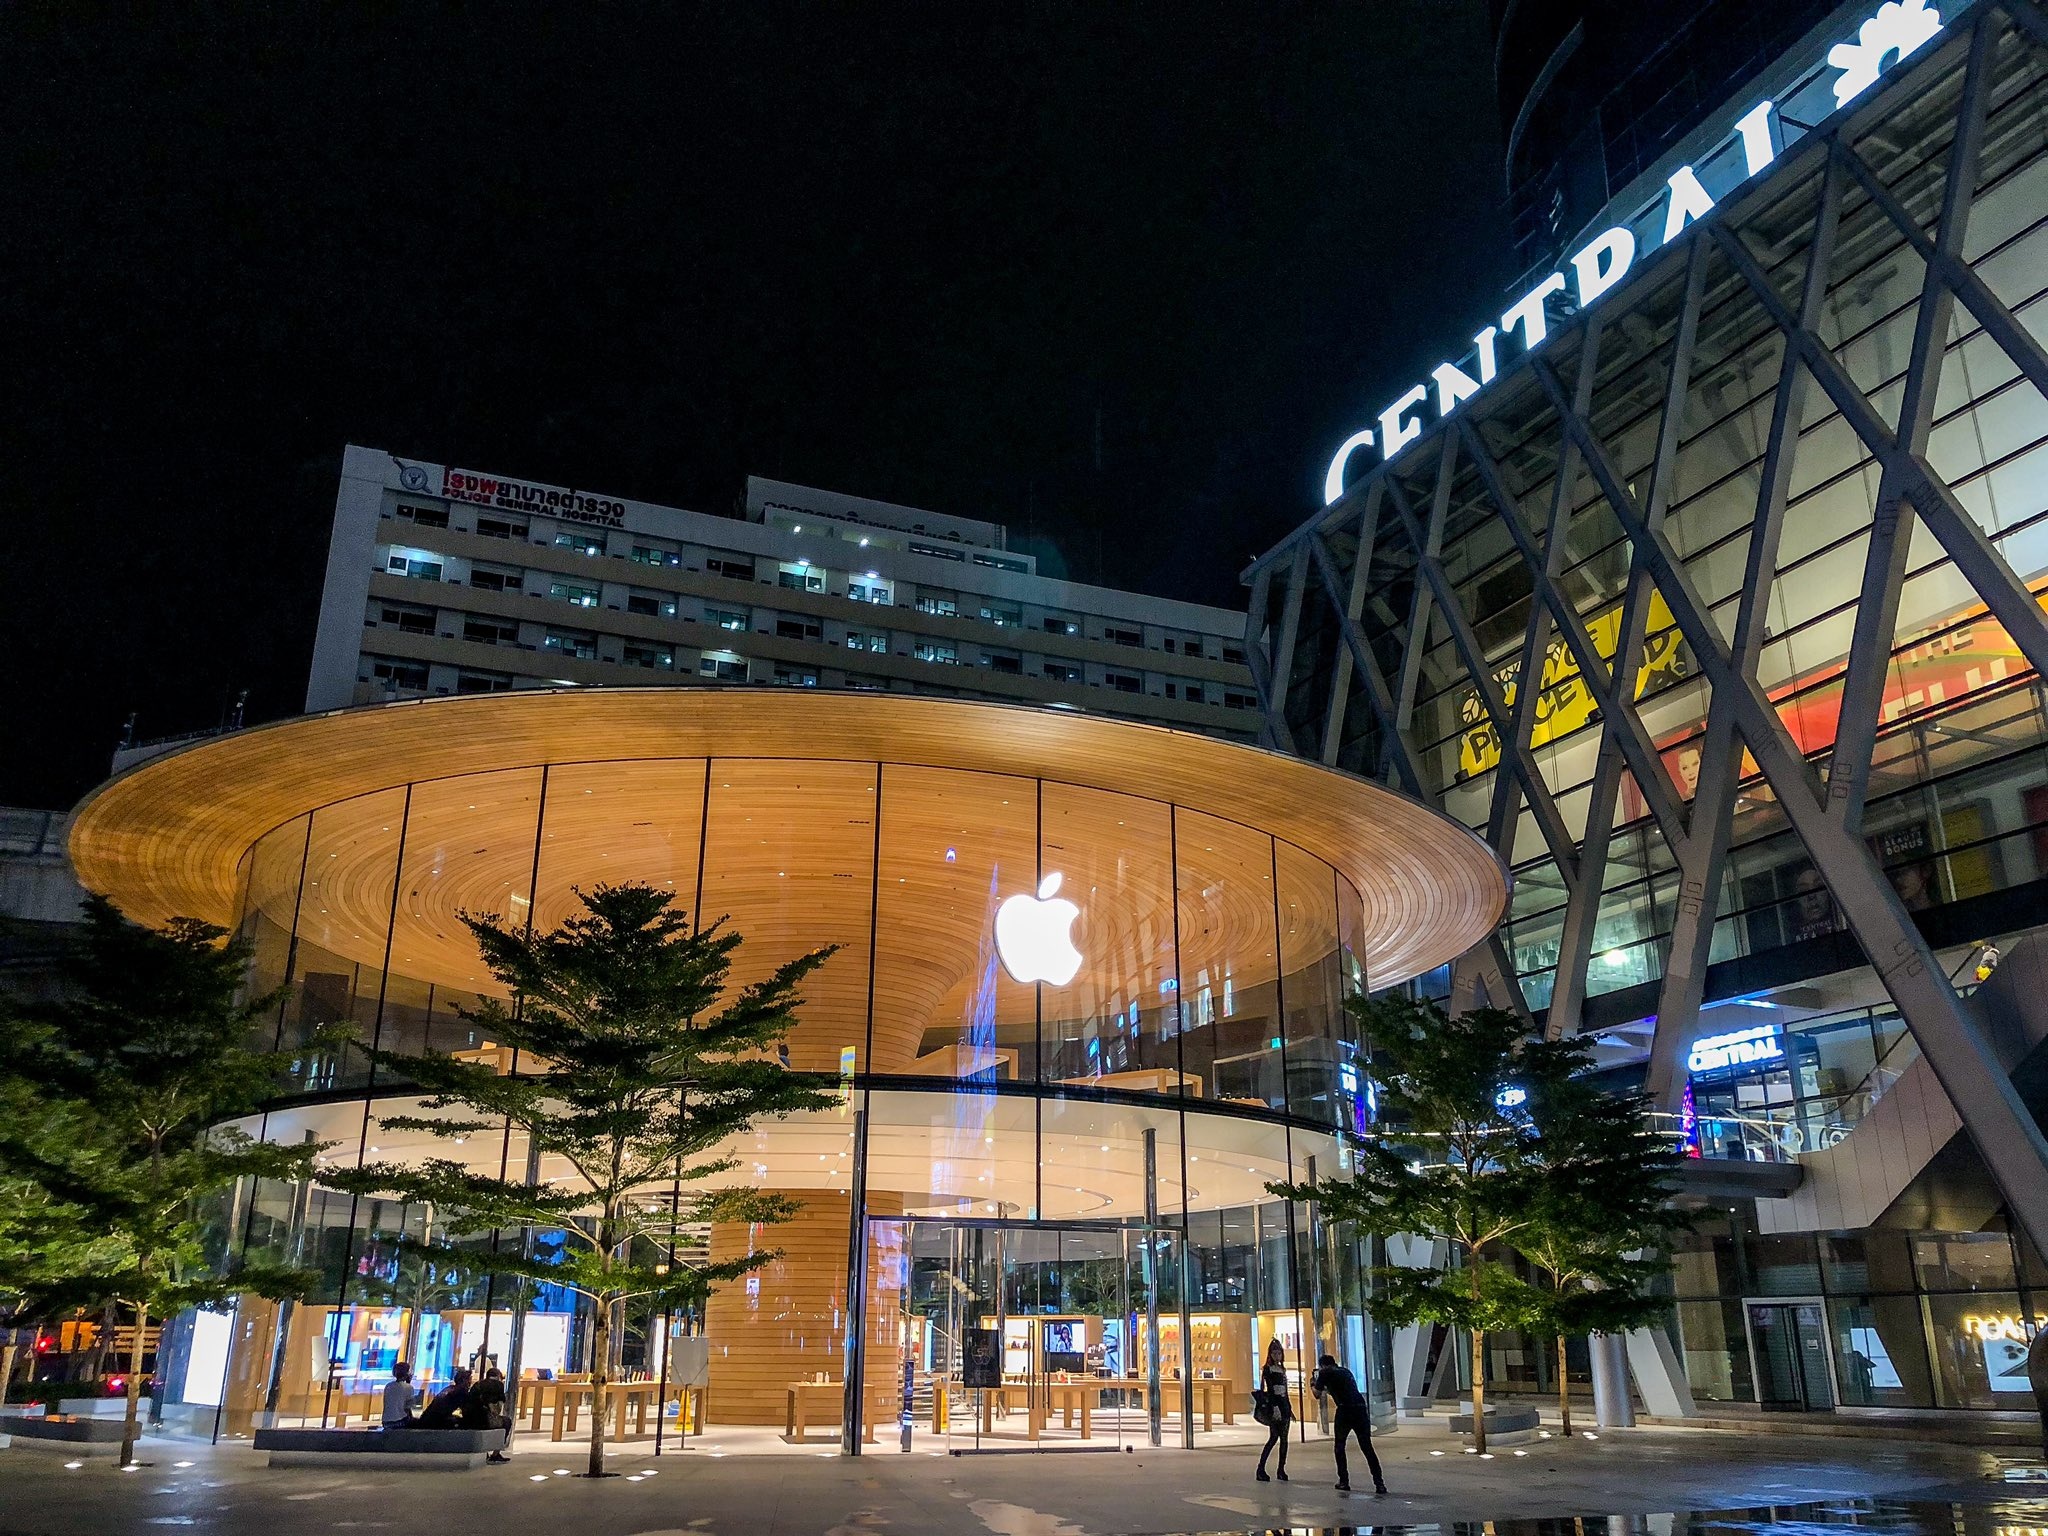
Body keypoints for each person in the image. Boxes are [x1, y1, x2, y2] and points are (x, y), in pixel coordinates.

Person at [1310, 1353, 1385, 1495]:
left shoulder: (1325, 1372)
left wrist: (1312, 1383)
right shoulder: (1345, 1371)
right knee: (1367, 1447)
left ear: (1323, 1366)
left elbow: (1317, 1394)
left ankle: (1344, 1481)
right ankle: (1379, 1483)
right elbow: (1340, 1389)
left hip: (1344, 1410)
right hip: (1360, 1408)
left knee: (1340, 1447)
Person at [1254, 1339, 1292, 1483]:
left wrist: (1289, 1408)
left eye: (1279, 1353)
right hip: (1275, 1405)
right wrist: (1275, 1407)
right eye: (1274, 1353)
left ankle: (1281, 1469)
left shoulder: (1282, 1369)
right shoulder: (1268, 1369)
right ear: (1270, 1354)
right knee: (1274, 1437)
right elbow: (1270, 1390)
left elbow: (1285, 1391)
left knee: (1284, 1440)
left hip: (1284, 1405)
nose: (1277, 1356)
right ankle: (1261, 1468)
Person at [464, 1366, 511, 1462]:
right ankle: (495, 1455)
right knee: (506, 1422)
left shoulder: (477, 1384)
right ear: (499, 1376)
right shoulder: (499, 1385)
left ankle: (485, 1453)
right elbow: (496, 1409)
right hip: (484, 1419)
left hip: (469, 1419)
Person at [381, 1361, 419, 1428]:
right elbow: (408, 1408)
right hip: (399, 1421)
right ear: (406, 1374)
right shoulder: (408, 1387)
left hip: (386, 1421)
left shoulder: (388, 1386)